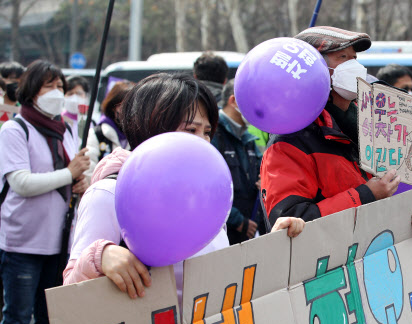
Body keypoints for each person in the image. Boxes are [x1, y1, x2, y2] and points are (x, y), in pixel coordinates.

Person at [261, 25, 412, 324]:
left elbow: (394, 196)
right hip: (330, 298)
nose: (353, 64)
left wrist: (409, 216)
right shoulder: (291, 141)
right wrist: (364, 196)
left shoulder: (375, 125)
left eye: (356, 55)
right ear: (312, 68)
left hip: (379, 282)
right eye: (341, 56)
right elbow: (290, 221)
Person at [63, 73, 303, 303]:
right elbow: (69, 295)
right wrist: (99, 256)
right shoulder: (109, 193)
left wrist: (273, 246)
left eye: (207, 132)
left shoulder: (207, 196)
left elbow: (221, 274)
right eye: (191, 130)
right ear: (151, 127)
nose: (204, 141)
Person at [0, 60, 91, 324]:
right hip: (23, 241)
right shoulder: (15, 130)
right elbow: (21, 182)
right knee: (15, 320)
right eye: (47, 86)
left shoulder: (65, 129)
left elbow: (71, 176)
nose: (55, 93)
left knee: (49, 322)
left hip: (58, 242)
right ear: (30, 90)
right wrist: (67, 175)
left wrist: (79, 180)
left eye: (59, 85)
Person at [212, 79, 266, 244]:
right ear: (233, 100)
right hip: (224, 231)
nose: (258, 108)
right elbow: (211, 190)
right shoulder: (214, 133)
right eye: (253, 102)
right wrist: (238, 221)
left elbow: (261, 172)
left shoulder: (248, 137)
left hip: (249, 231)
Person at [85, 81, 134, 175]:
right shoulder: (97, 134)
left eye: (132, 105)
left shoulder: (140, 135)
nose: (129, 110)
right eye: (123, 105)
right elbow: (89, 172)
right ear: (113, 106)